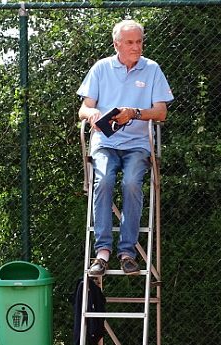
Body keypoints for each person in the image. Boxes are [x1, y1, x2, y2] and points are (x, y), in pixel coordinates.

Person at [77, 19, 174, 276]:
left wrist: (135, 113)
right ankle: (102, 252)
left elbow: (161, 113)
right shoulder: (101, 68)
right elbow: (82, 109)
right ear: (116, 44)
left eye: (139, 41)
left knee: (131, 182)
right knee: (104, 180)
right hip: (105, 143)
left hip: (137, 145)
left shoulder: (152, 69)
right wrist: (93, 114)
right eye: (130, 42)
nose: (136, 47)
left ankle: (128, 252)